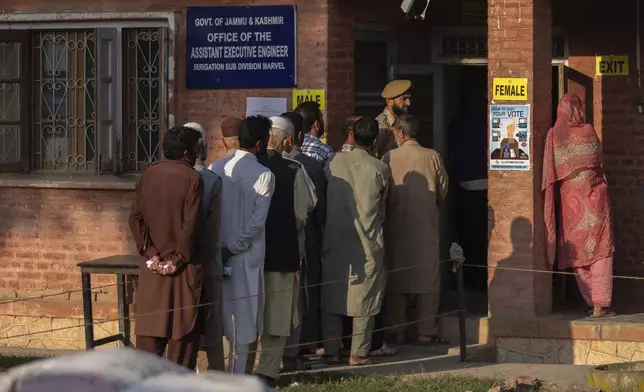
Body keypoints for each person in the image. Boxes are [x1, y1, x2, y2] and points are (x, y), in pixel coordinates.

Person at [128, 126, 204, 369]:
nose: (197, 155)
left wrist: (151, 254)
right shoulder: (192, 178)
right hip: (182, 272)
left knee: (148, 342)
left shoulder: (147, 175)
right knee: (181, 340)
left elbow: (135, 219)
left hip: (153, 270)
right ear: (185, 153)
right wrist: (177, 260)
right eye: (195, 150)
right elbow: (190, 225)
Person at [321, 117, 391, 366]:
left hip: (334, 237)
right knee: (366, 298)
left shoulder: (333, 162)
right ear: (374, 141)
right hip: (368, 241)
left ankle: (331, 350)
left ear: (351, 136)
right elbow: (383, 208)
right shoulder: (380, 168)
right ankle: (358, 352)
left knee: (332, 294)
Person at [209, 116, 276, 373]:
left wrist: (225, 248)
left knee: (226, 315)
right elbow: (257, 222)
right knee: (246, 318)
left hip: (222, 253)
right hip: (245, 255)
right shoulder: (264, 175)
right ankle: (239, 376)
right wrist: (236, 247)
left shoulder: (216, 168)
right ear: (260, 143)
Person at [255, 116, 316, 388]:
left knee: (246, 313)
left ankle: (239, 369)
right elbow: (301, 214)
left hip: (246, 257)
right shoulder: (294, 168)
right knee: (277, 317)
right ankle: (267, 372)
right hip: (282, 253)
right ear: (287, 140)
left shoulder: (247, 166)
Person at [542, 93, 615, 318]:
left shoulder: (554, 135)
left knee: (578, 254)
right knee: (601, 252)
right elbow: (599, 162)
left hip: (570, 206)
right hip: (596, 203)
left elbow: (551, 172)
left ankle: (591, 301)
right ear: (578, 110)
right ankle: (600, 305)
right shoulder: (588, 131)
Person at [383, 115, 449, 345]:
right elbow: (442, 190)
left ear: (401, 133)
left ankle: (398, 329)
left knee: (397, 278)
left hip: (396, 227)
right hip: (426, 226)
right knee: (428, 279)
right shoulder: (432, 157)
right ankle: (426, 331)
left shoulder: (389, 157)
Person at [280, 111, 327, 366]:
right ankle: (307, 342)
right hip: (306, 239)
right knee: (306, 293)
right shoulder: (310, 166)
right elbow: (319, 209)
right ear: (299, 136)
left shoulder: (264, 165)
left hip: (273, 246)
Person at [183, 122, 225, 372]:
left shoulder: (159, 176)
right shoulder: (210, 179)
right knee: (210, 329)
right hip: (206, 263)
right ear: (201, 148)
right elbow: (214, 231)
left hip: (173, 263)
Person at [448, 88, 489, 292]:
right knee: (484, 236)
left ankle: (473, 278)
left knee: (470, 236)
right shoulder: (488, 121)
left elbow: (452, 154)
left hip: (465, 186)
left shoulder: (459, 124)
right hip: (487, 186)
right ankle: (481, 277)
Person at [375, 80, 412, 159]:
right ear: (390, 101)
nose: (408, 103)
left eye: (409, 98)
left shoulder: (407, 121)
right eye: (404, 99)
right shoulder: (379, 125)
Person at [296, 102, 335, 169]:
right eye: (321, 118)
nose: (323, 121)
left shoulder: (290, 148)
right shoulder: (325, 150)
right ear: (317, 125)